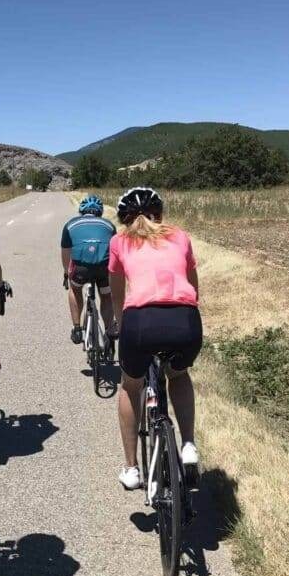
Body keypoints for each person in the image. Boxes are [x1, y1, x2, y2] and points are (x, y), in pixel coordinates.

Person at [107, 187, 202, 490]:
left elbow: (117, 291)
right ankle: (188, 445)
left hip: (140, 322)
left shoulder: (119, 242)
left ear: (123, 219)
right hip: (184, 319)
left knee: (130, 385)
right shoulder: (180, 236)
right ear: (160, 214)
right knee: (179, 375)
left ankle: (132, 468)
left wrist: (122, 326)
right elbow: (193, 286)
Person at [60, 195, 117, 345]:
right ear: (100, 212)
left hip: (80, 268)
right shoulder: (109, 225)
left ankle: (77, 329)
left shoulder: (70, 225)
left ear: (81, 211)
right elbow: (115, 251)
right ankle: (109, 329)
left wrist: (67, 273)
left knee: (75, 289)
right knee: (106, 296)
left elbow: (66, 253)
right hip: (104, 268)